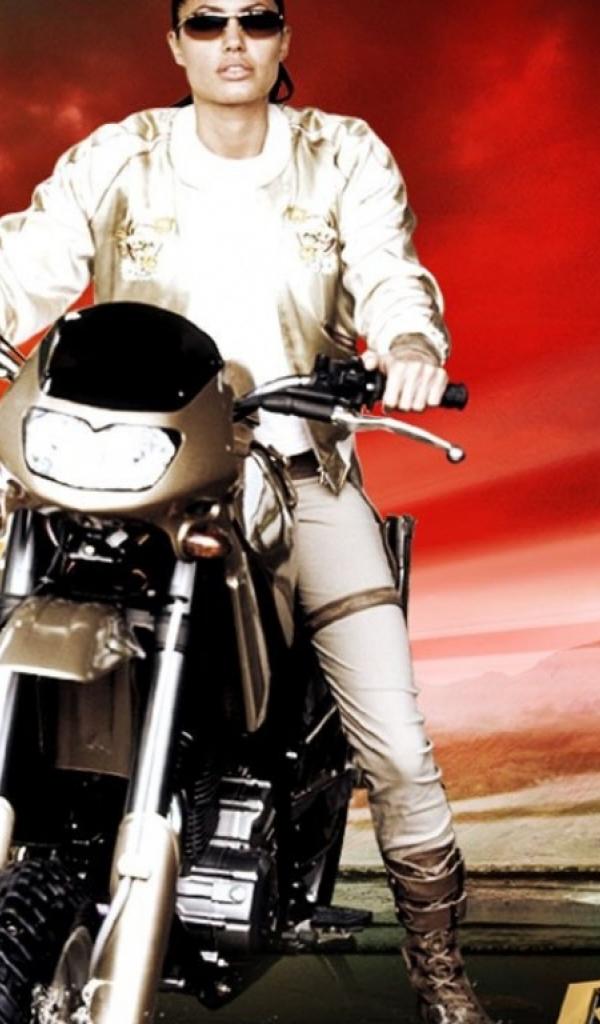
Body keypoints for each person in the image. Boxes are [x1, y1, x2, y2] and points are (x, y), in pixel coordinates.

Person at [0, 3, 496, 1021]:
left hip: (292, 471)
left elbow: (389, 270)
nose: (233, 41)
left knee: (397, 746)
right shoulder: (121, 155)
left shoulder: (342, 155)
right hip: (128, 467)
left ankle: (439, 970)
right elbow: (27, 260)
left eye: (256, 19)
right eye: (207, 21)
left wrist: (409, 344)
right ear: (175, 42)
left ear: (282, 40)